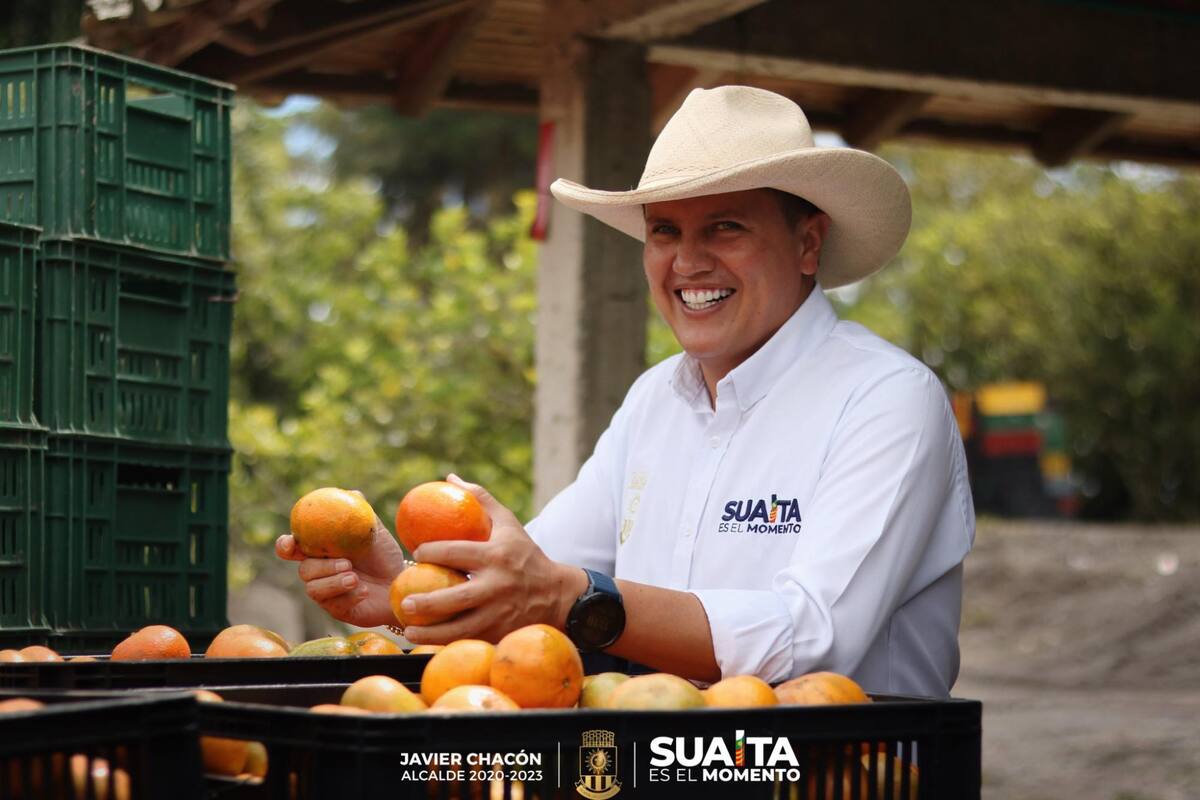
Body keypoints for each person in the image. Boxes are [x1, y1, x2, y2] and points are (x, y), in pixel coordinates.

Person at [276, 86, 974, 697]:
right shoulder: (655, 400)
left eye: (726, 226)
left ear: (808, 245)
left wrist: (574, 598)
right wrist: (405, 595)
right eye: (664, 231)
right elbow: (534, 578)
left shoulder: (886, 399)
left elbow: (814, 638)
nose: (688, 261)